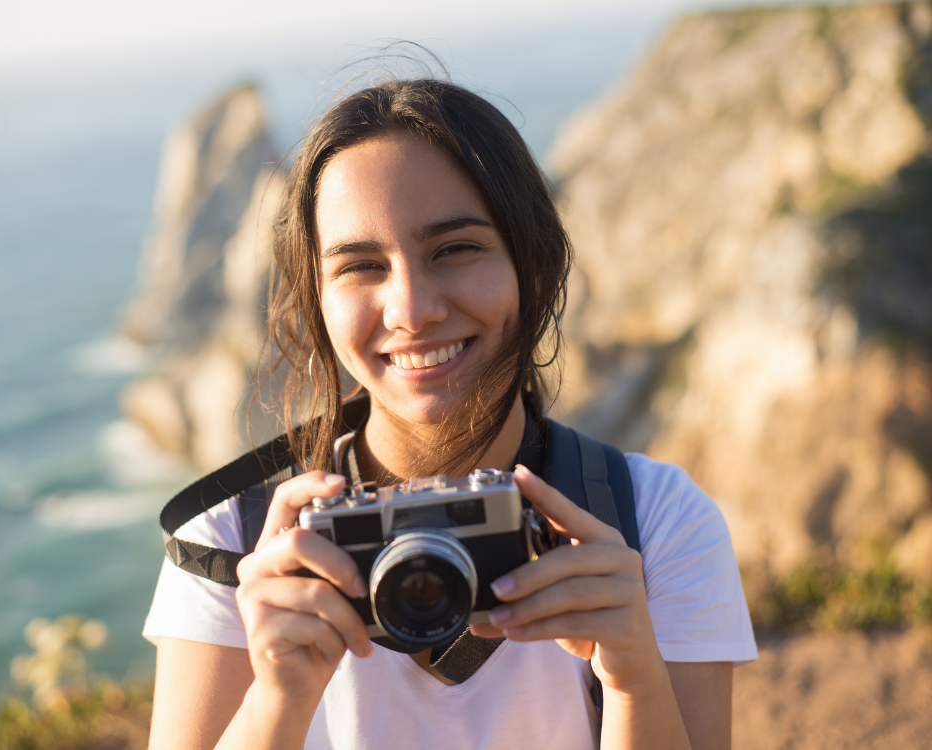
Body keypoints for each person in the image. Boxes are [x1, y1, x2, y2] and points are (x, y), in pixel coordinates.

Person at [143, 77, 757, 750]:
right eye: (361, 266)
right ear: (315, 300)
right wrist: (278, 702)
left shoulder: (654, 523)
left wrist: (634, 680)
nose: (412, 309)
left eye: (455, 249)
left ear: (534, 263)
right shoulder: (233, 544)